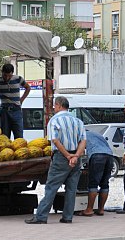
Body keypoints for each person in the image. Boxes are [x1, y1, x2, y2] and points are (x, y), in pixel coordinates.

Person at [25, 96, 86, 224]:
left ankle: (41, 216)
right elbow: (83, 141)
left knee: (52, 187)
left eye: (54, 106)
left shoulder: (54, 120)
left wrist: (68, 155)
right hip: (76, 158)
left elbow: (55, 140)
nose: (54, 108)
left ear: (58, 105)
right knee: (71, 189)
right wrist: (75, 156)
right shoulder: (78, 121)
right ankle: (67, 217)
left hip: (61, 157)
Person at [77, 130, 113, 217]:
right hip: (110, 156)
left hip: (97, 156)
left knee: (93, 184)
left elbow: (81, 152)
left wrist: (83, 166)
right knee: (104, 184)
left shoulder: (80, 135)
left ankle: (89, 210)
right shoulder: (97, 134)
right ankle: (101, 209)